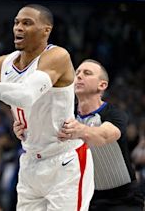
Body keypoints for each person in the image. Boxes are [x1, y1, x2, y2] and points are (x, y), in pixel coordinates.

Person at [0, 4, 94, 210]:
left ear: (46, 30)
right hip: (30, 160)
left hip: (65, 162)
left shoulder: (58, 57)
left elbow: (25, 96)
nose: (18, 28)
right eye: (16, 22)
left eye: (27, 23)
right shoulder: (1, 64)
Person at [55, 59, 143, 211]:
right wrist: (24, 131)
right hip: (86, 197)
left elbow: (105, 136)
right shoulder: (65, 114)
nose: (79, 76)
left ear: (102, 85)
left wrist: (80, 131)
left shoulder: (114, 114)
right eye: (77, 73)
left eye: (87, 73)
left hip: (123, 199)